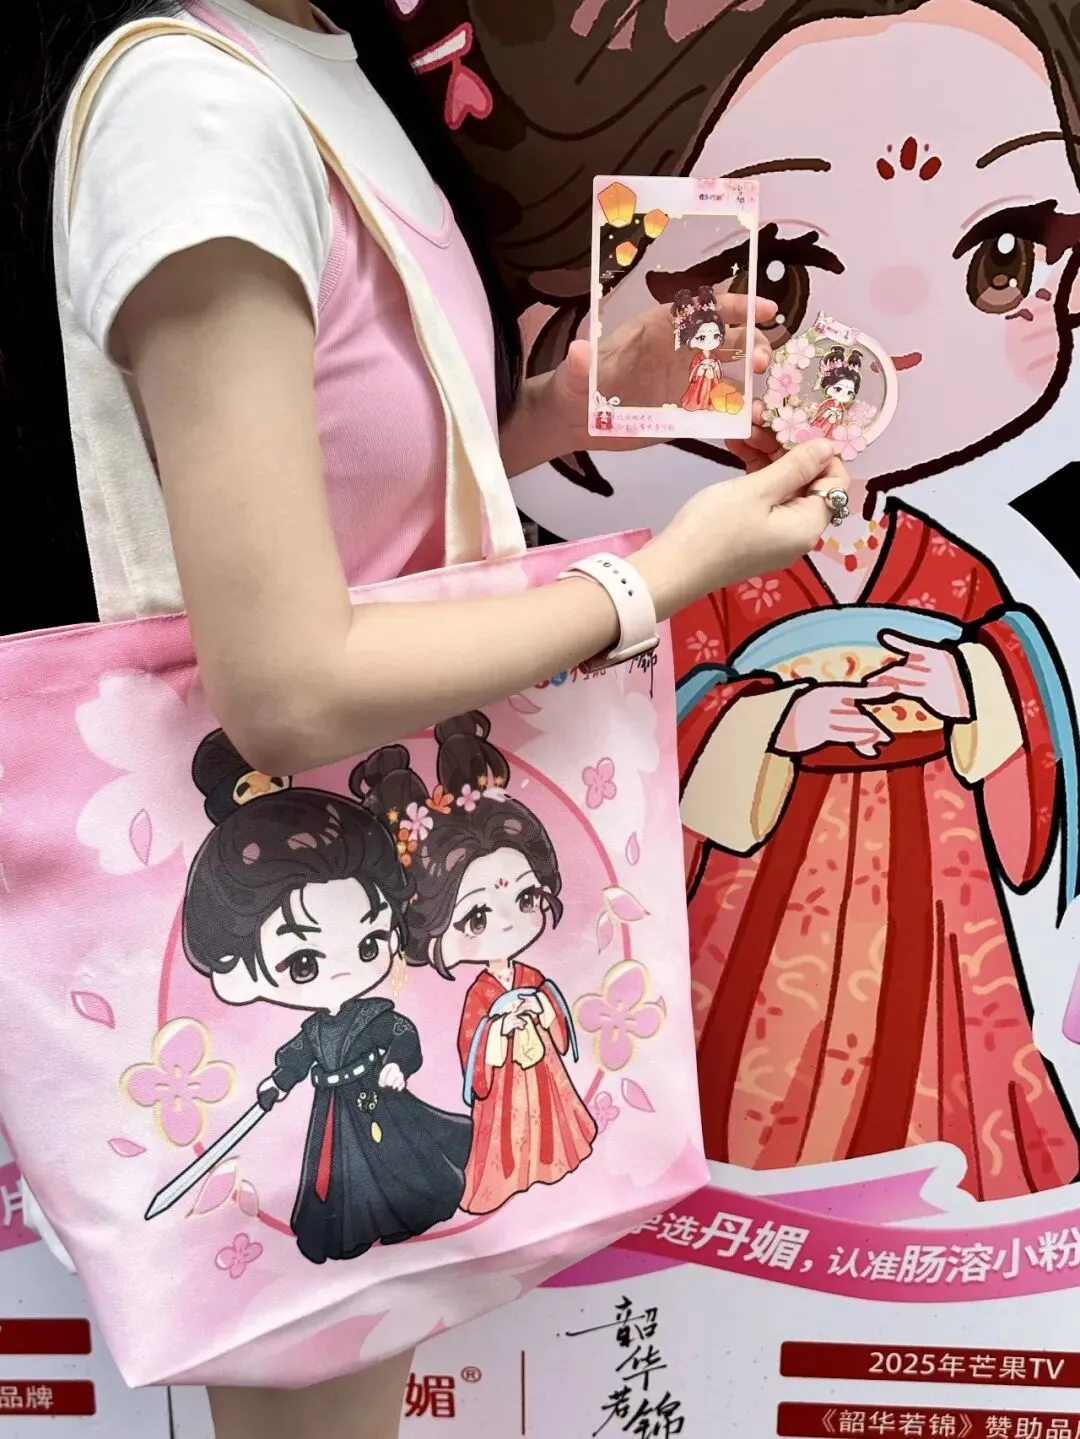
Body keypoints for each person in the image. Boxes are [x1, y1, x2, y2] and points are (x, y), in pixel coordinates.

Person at [25, 0, 842, 1433]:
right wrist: (652, 581)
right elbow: (286, 689)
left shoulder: (312, 70)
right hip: (311, 844)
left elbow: (338, 501)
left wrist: (548, 415)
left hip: (371, 847)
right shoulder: (196, 106)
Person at [180, 730, 473, 1265]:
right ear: (237, 972)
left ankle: (413, 1215)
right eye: (304, 964)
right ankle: (360, 1230)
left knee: (399, 1158)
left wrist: (398, 1063)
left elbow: (401, 1033)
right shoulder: (314, 1032)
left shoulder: (375, 1014)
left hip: (377, 1093)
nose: (343, 970)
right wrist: (280, 1079)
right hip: (335, 1108)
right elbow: (297, 1056)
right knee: (345, 1175)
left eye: (369, 944)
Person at [356, 713, 596, 1217]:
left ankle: (552, 1163)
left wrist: (542, 1010)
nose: (507, 926)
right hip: (505, 1076)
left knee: (548, 1118)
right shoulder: (482, 994)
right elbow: (474, 1049)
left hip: (538, 1066)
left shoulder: (529, 978)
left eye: (527, 898)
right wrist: (500, 1027)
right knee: (509, 1129)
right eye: (477, 917)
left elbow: (557, 1017)